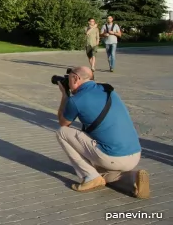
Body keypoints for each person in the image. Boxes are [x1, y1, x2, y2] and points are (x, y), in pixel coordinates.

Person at [55, 66, 149, 198]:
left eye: (69, 78)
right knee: (101, 171)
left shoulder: (76, 100)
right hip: (134, 154)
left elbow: (63, 123)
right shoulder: (108, 90)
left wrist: (65, 95)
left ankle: (90, 177)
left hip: (112, 157)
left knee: (62, 132)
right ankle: (133, 178)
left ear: (76, 78)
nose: (68, 82)